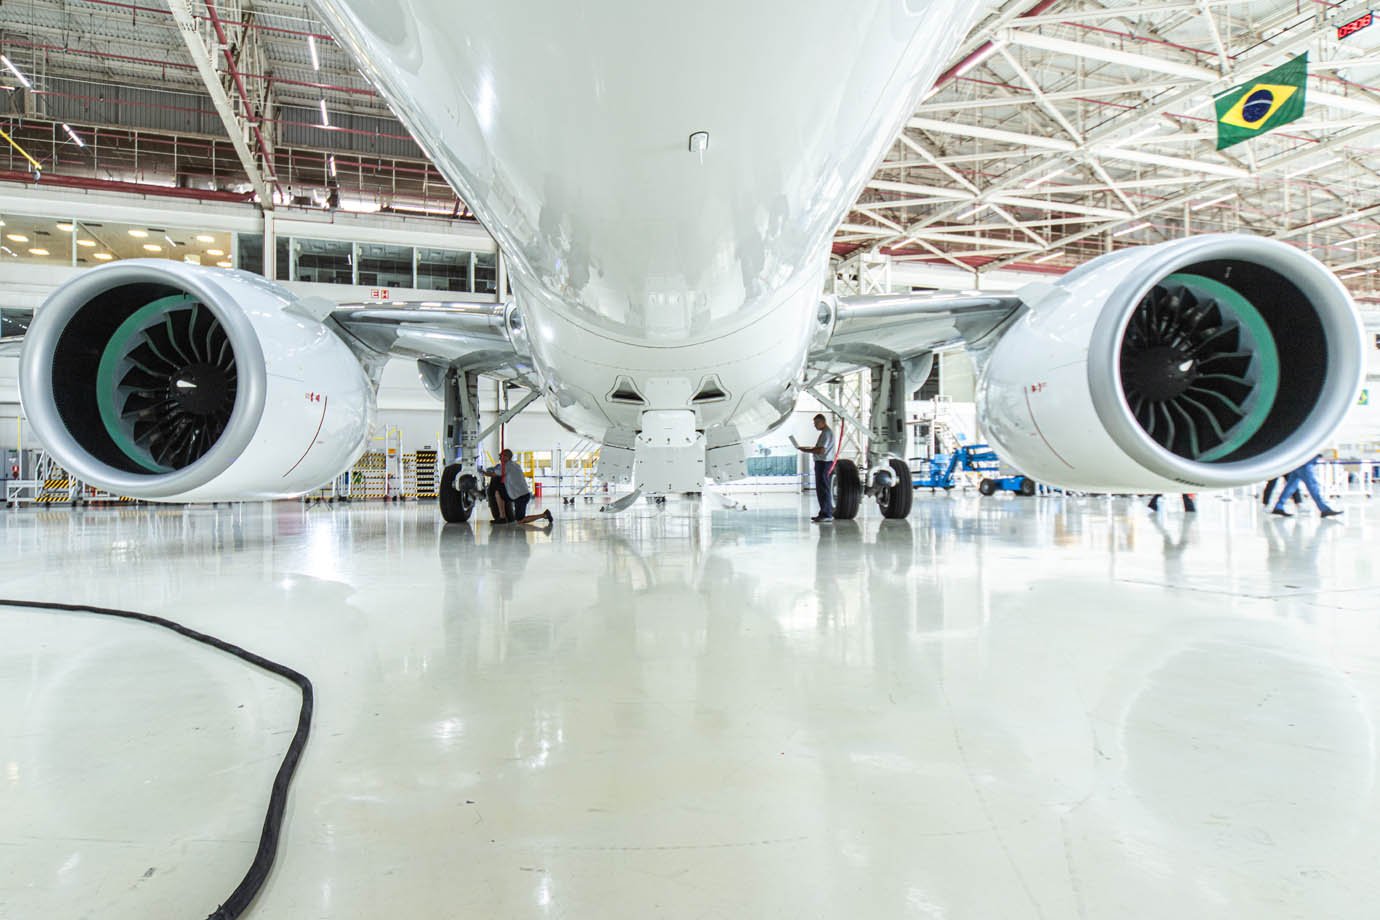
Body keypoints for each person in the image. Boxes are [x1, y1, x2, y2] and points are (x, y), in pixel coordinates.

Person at [482, 449, 553, 526]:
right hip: (518, 494)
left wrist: (482, 472)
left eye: (502, 456)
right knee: (498, 491)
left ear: (508, 457)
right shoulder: (515, 465)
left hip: (520, 496)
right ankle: (502, 517)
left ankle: (544, 515)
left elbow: (493, 474)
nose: (500, 458)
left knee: (520, 520)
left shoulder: (507, 466)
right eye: (500, 456)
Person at [1271, 454, 1342, 518]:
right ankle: (1324, 509)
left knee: (1291, 487)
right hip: (1305, 464)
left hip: (1298, 463)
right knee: (1313, 487)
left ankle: (1279, 506)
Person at [796, 413, 836, 523]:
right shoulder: (825, 433)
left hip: (824, 463)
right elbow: (819, 448)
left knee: (823, 488)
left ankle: (827, 513)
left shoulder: (827, 433)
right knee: (821, 488)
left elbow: (821, 450)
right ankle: (823, 512)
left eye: (816, 423)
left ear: (822, 422)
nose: (815, 425)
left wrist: (806, 450)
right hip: (822, 462)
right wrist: (808, 448)